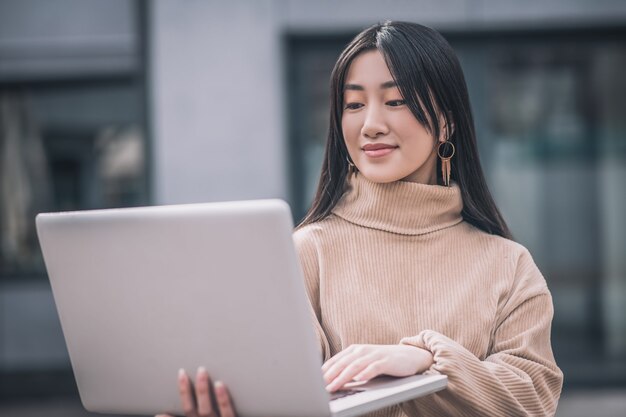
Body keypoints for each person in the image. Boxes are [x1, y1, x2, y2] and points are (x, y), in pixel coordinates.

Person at [157, 20, 563, 417]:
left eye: (395, 100)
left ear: (446, 122)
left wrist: (425, 360)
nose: (370, 125)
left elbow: (532, 397)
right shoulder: (305, 253)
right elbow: (278, 395)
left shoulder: (509, 266)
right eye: (353, 104)